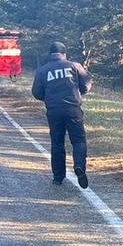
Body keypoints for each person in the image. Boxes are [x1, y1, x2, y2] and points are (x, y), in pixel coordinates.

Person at [31, 42, 92, 188]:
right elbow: (86, 85)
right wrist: (77, 92)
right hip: (73, 109)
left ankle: (58, 177)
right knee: (78, 141)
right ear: (64, 54)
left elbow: (36, 92)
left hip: (54, 111)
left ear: (50, 55)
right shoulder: (74, 66)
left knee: (57, 143)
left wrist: (48, 97)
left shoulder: (43, 70)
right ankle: (79, 167)